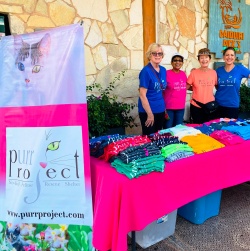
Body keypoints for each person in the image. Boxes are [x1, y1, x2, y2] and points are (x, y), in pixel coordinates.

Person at [138, 43, 167, 135]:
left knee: (158, 137)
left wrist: (164, 108)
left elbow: (161, 91)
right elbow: (142, 95)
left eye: (160, 53)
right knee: (149, 139)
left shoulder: (163, 70)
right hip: (148, 112)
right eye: (154, 53)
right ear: (149, 55)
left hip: (160, 110)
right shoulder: (146, 71)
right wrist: (150, 115)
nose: (157, 56)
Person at [215, 47, 250, 119]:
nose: (229, 57)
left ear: (235, 57)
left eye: (232, 55)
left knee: (231, 129)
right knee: (217, 128)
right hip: (218, 105)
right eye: (227, 55)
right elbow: (216, 85)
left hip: (233, 105)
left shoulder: (240, 68)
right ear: (223, 57)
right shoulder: (218, 71)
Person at [186, 48, 217, 124]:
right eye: (201, 58)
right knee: (197, 129)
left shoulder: (214, 73)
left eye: (206, 57)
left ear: (209, 59)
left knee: (209, 128)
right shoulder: (194, 73)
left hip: (210, 106)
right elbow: (186, 86)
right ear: (199, 60)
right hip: (196, 106)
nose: (204, 60)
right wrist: (195, 88)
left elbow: (217, 86)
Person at [163, 53, 187, 128]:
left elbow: (186, 86)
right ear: (171, 62)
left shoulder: (183, 74)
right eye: (175, 60)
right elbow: (161, 89)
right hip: (169, 108)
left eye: (180, 60)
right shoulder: (166, 73)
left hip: (180, 107)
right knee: (168, 129)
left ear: (182, 63)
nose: (177, 62)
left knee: (178, 129)